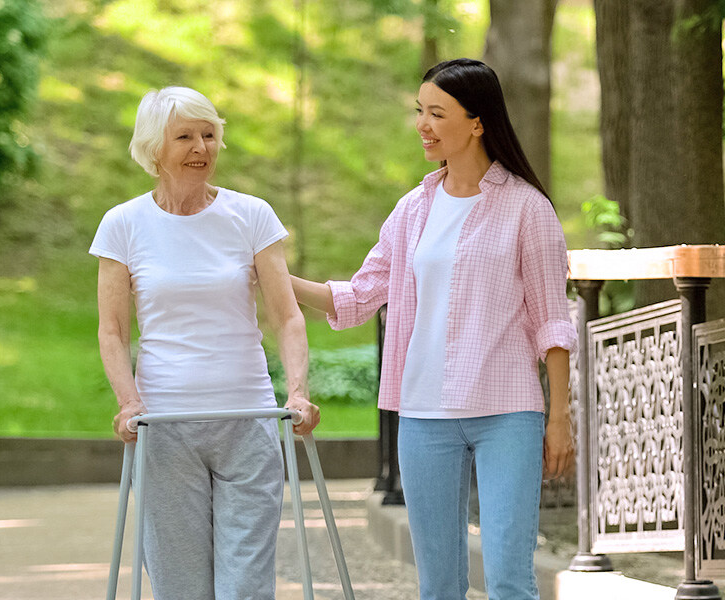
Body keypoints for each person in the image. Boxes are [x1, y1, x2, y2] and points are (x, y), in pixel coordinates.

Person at [291, 58, 576, 600]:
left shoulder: (527, 208)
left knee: (510, 580)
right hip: (422, 415)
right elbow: (360, 295)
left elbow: (551, 321)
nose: (423, 124)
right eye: (420, 111)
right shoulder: (412, 210)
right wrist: (278, 280)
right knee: (438, 586)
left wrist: (558, 417)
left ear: (477, 122)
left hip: (507, 411)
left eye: (437, 113)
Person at [90, 86, 319, 600]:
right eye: (185, 136)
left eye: (210, 135)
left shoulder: (252, 215)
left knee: (245, 586)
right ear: (154, 148)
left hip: (248, 419)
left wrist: (298, 391)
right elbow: (112, 330)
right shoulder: (123, 224)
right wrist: (128, 402)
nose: (202, 147)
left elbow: (287, 316)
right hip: (166, 427)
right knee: (180, 584)